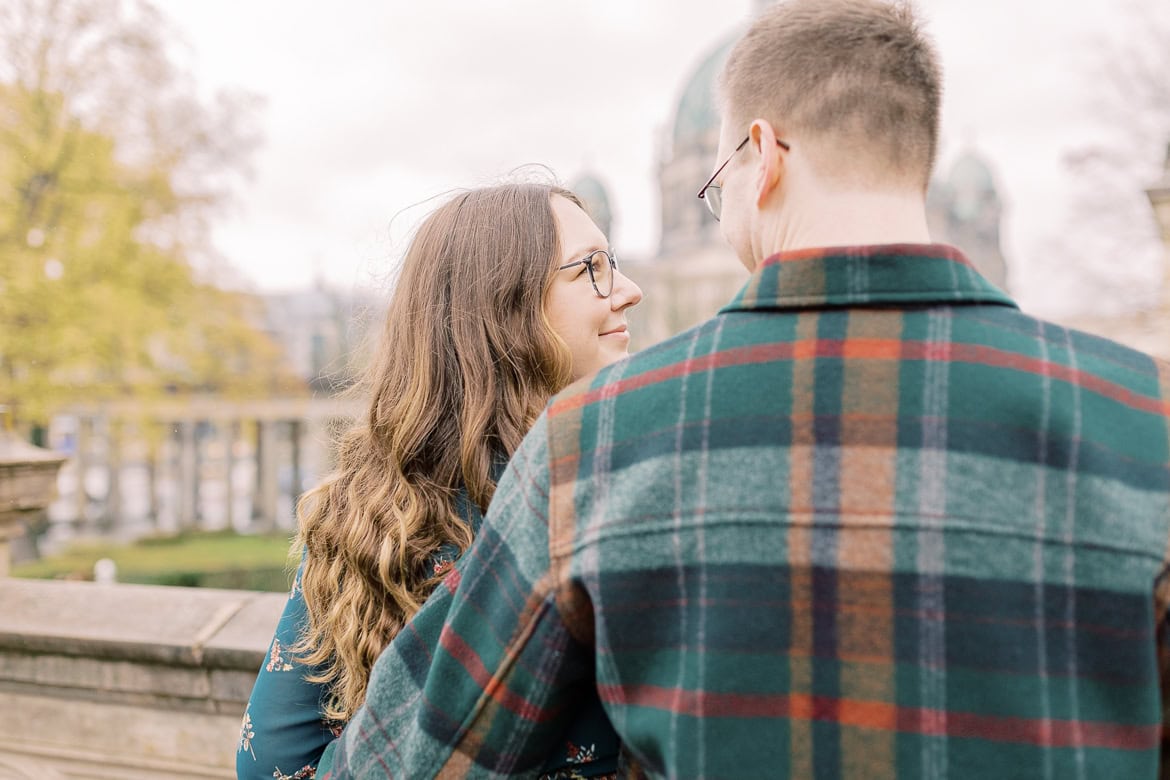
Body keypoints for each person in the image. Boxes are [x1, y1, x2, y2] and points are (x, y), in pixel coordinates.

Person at [319, 1, 1170, 777]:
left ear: (760, 156)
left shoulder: (596, 441)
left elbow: (404, 764)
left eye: (717, 181)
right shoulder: (1147, 417)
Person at [236, 182, 643, 780]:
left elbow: (271, 762)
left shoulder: (364, 508)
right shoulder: (605, 493)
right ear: (505, 307)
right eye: (592, 270)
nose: (629, 291)